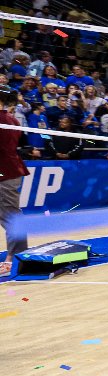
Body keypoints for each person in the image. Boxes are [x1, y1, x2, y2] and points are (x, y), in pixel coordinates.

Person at [0, 87, 27, 277]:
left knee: (10, 217)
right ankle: (18, 254)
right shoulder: (12, 119)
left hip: (6, 173)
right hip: (8, 171)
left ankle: (13, 258)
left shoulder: (6, 120)